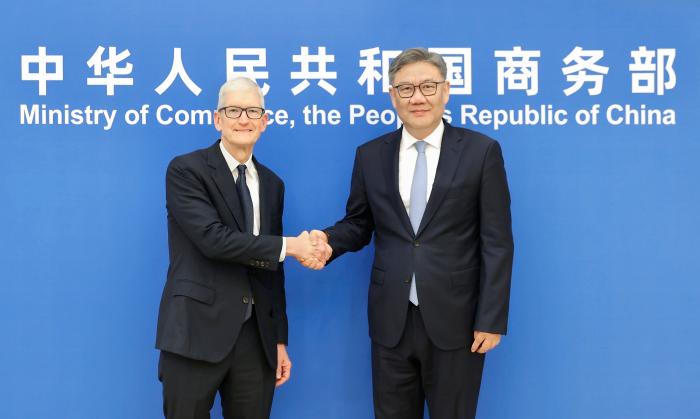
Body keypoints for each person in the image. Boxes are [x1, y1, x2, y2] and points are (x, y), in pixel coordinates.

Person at [311, 48, 514, 419]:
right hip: (391, 319)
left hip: (458, 320)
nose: (417, 97)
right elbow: (359, 223)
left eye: (427, 86)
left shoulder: (481, 152)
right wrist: (328, 242)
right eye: (405, 89)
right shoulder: (370, 155)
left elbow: (497, 242)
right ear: (393, 96)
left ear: (445, 91)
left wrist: (491, 318)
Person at [155, 77, 323, 419]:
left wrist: (278, 339)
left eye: (252, 111)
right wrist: (292, 246)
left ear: (264, 121)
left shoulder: (273, 184)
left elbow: (272, 268)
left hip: (256, 339)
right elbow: (213, 239)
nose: (243, 119)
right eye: (233, 111)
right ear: (218, 119)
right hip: (195, 332)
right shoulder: (186, 170)